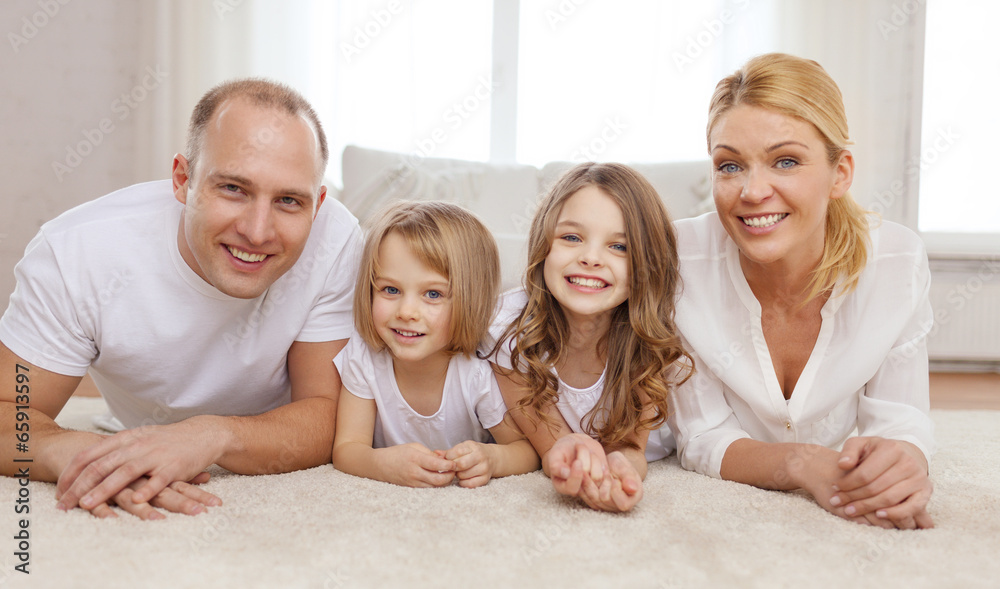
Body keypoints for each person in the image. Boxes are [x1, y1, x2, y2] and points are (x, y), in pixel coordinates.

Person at [0, 78, 361, 519]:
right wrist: (73, 451)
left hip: (263, 439)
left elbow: (329, 417)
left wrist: (212, 435)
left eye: (288, 201)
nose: (258, 231)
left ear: (318, 204)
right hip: (137, 430)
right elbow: (9, 414)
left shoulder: (336, 240)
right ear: (182, 179)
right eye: (233, 189)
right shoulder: (75, 253)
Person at [668, 53, 935, 529]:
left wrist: (902, 464)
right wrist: (801, 463)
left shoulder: (896, 262)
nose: (752, 191)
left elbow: (899, 419)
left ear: (841, 173)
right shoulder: (680, 261)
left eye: (785, 161)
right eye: (729, 166)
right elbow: (702, 435)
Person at [491, 162, 692, 512]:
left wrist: (619, 473)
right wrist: (576, 471)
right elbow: (553, 445)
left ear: (646, 265)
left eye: (620, 247)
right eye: (571, 238)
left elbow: (632, 448)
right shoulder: (509, 329)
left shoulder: (650, 334)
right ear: (543, 246)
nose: (590, 258)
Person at [331, 201, 539, 487]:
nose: (406, 312)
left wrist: (491, 458)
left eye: (432, 294)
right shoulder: (364, 357)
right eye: (390, 290)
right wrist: (382, 464)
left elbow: (526, 451)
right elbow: (347, 449)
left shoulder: (477, 372)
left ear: (471, 300)